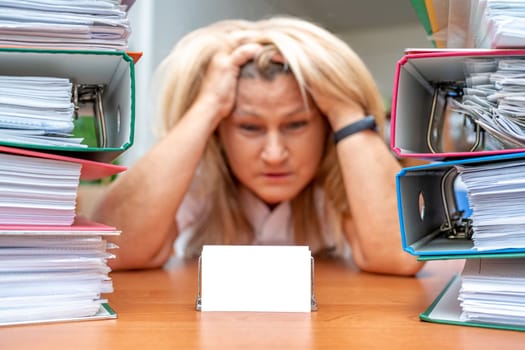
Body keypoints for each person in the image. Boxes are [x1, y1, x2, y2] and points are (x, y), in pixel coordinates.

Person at [92, 16, 424, 275]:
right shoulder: (201, 177)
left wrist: (345, 109)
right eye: (249, 127)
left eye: (296, 124)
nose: (275, 155)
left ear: (325, 125)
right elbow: (113, 251)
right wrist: (207, 105)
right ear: (219, 131)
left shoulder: (341, 179)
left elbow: (400, 258)